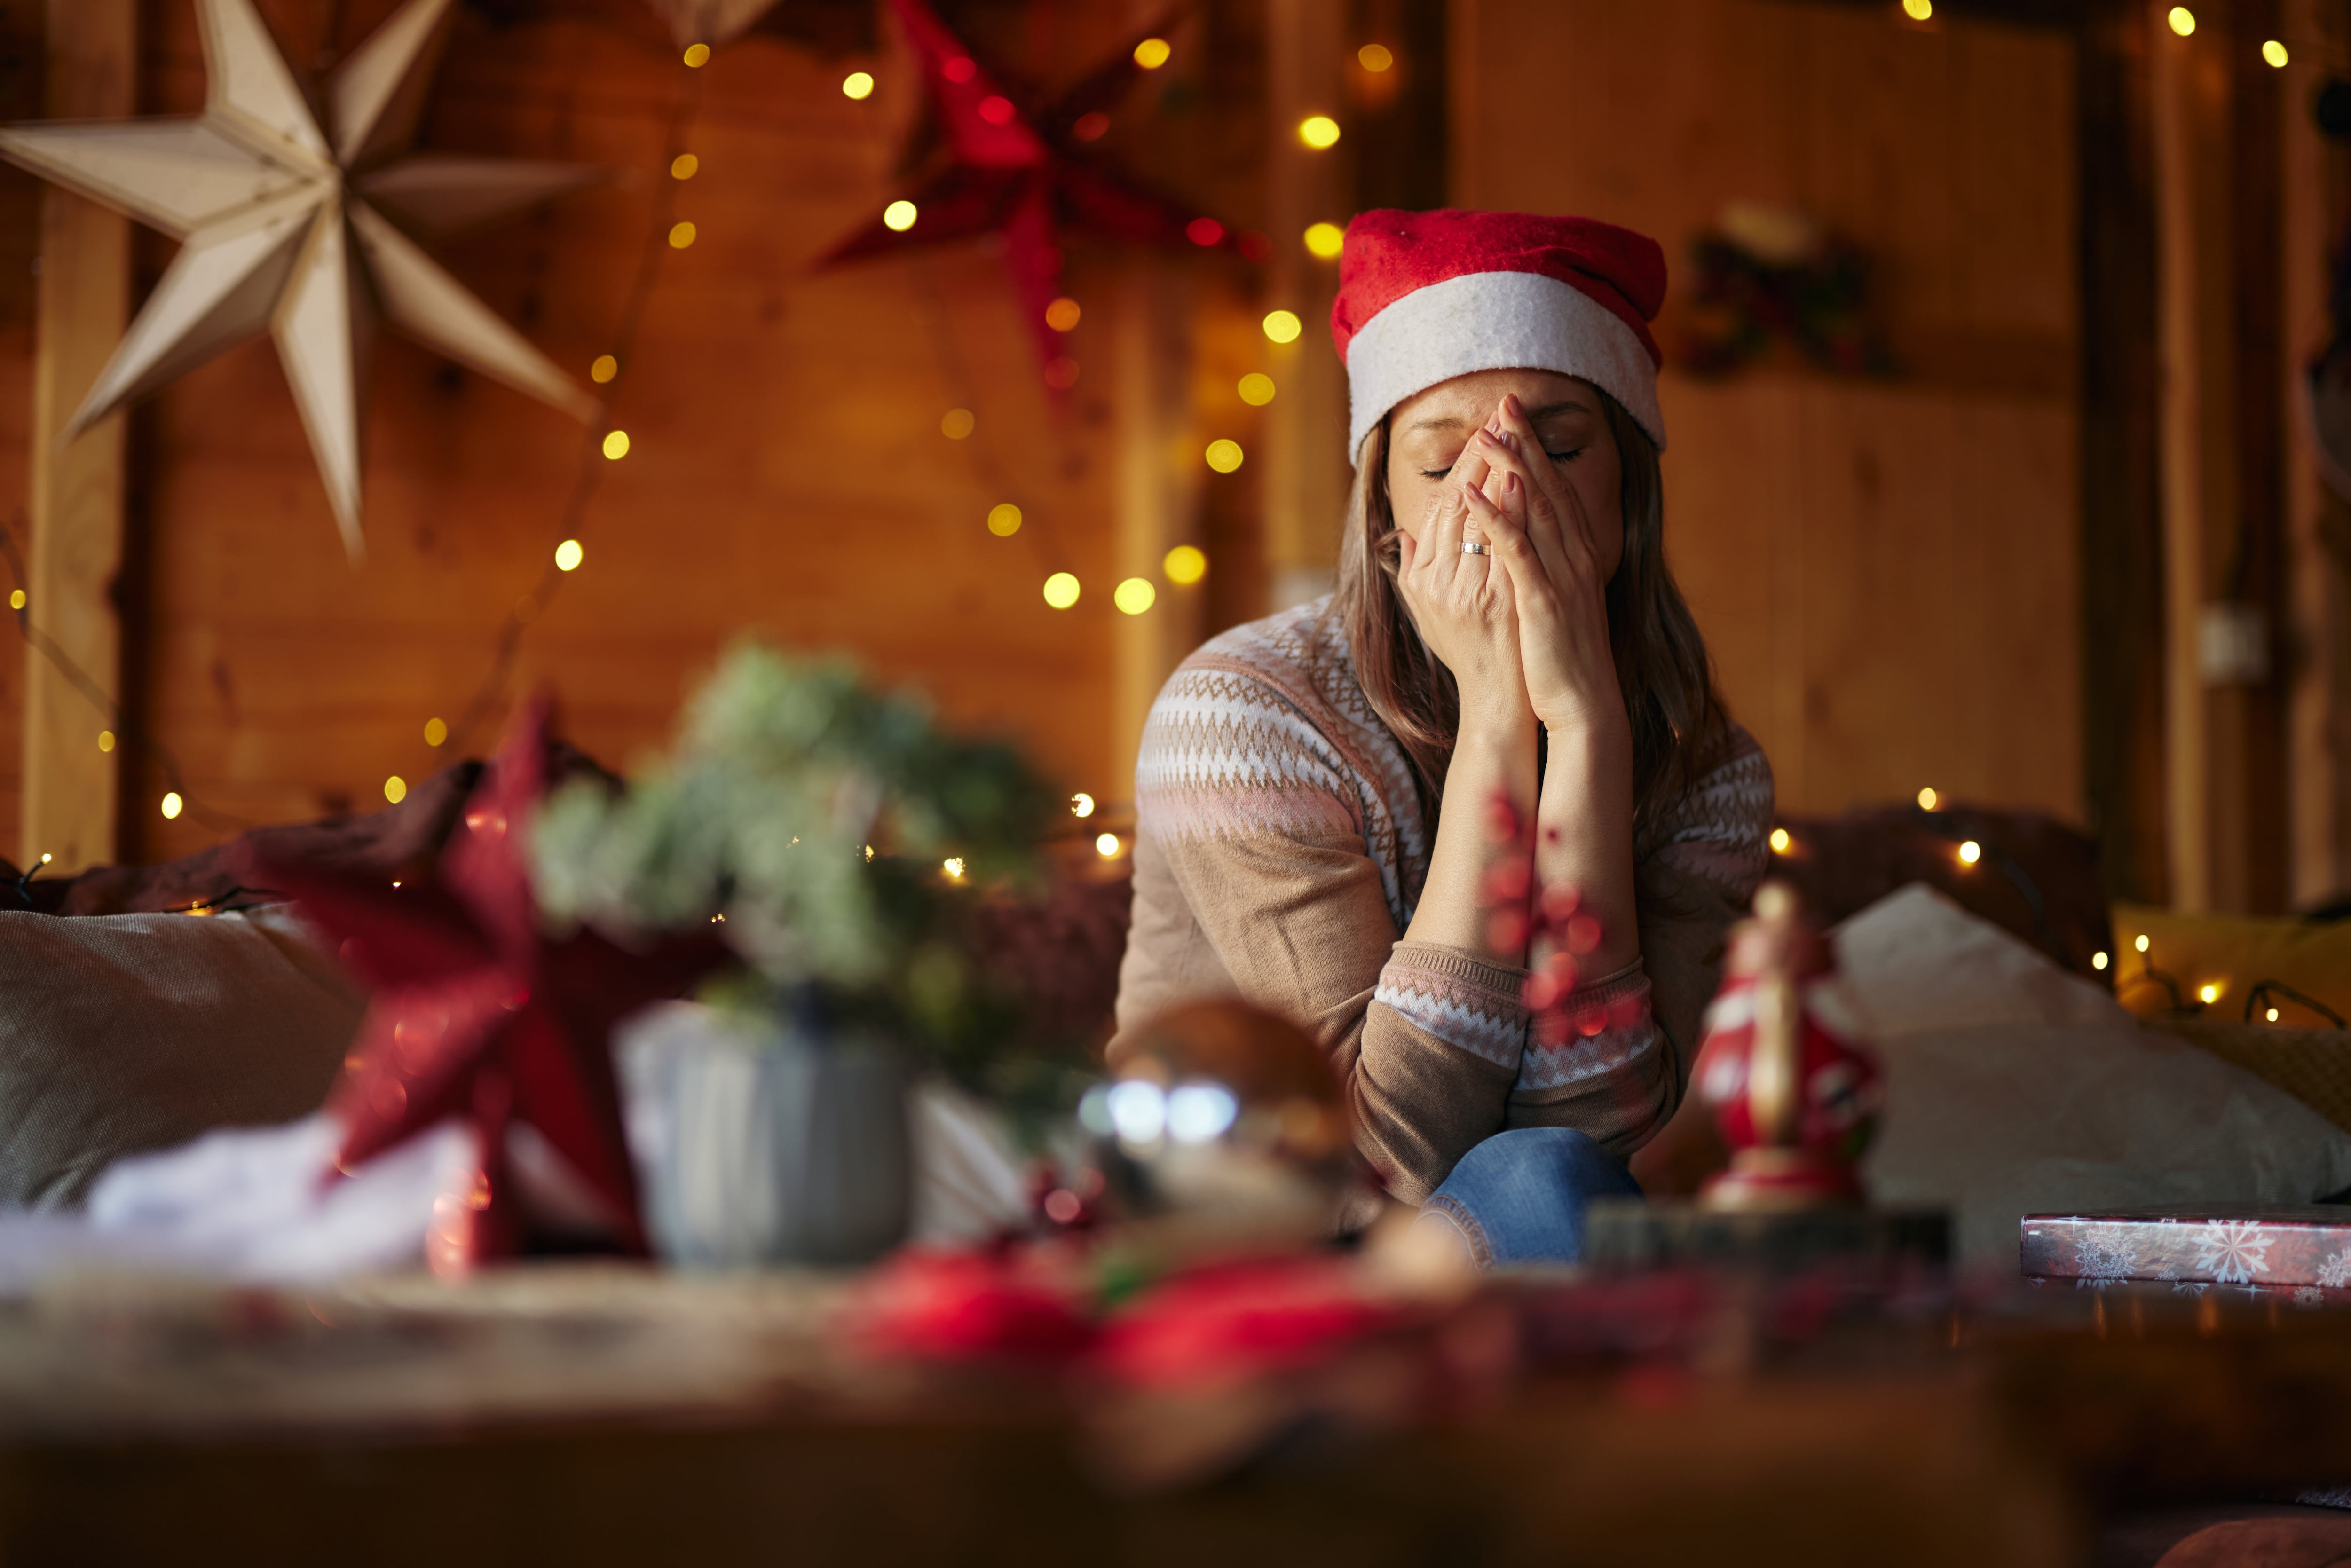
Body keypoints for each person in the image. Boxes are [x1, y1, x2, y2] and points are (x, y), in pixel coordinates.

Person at [1111, 209, 1773, 1267]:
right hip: (1250, 1249)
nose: (1501, 495)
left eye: (1559, 448)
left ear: (1630, 488)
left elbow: (1599, 1135)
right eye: (1439, 463)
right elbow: (1379, 1163)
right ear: (1382, 507)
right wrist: (1499, 714)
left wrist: (1588, 733)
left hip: (1528, 1250)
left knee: (1551, 1178)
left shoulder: (1708, 769)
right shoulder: (1243, 716)